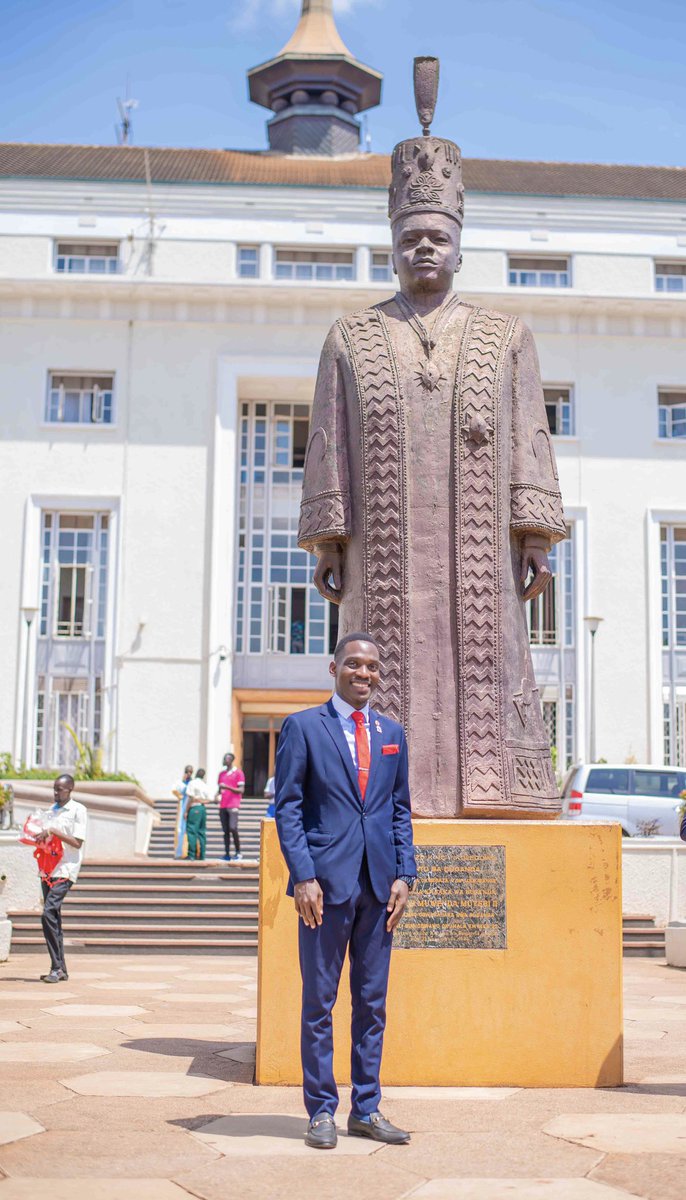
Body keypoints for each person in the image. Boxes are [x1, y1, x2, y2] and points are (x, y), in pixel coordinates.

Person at [298, 57, 565, 820]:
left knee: (487, 666)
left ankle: (495, 793)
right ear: (393, 241)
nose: (424, 248)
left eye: (436, 237)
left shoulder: (504, 334)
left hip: (478, 554)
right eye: (410, 235)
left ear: (458, 245)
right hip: (383, 556)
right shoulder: (352, 337)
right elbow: (329, 446)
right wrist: (327, 543)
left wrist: (535, 533)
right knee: (383, 675)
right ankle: (380, 801)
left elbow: (530, 436)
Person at [275, 633, 417, 1150]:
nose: (364, 674)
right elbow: (287, 808)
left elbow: (399, 810)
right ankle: (320, 1111)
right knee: (319, 1002)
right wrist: (303, 876)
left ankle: (367, 1108)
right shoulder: (303, 727)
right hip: (324, 889)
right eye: (354, 664)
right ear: (333, 668)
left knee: (371, 1004)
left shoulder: (392, 732)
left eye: (373, 667)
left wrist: (406, 874)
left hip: (379, 888)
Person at [35, 774, 87, 983]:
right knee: (54, 917)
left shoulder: (78, 810)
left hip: (66, 869)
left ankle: (56, 967)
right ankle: (60, 969)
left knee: (48, 913)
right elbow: (46, 838)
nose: (56, 793)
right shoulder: (50, 811)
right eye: (54, 789)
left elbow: (77, 842)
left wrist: (54, 831)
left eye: (61, 789)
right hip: (48, 869)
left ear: (70, 789)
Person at [216, 752, 245, 861]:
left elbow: (241, 790)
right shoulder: (221, 774)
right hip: (223, 805)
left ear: (231, 760)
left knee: (233, 828)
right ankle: (227, 853)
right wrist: (216, 795)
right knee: (225, 830)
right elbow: (220, 789)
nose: (224, 760)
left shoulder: (238, 773)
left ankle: (238, 852)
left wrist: (227, 787)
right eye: (224, 758)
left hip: (233, 804)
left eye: (226, 758)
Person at [185, 768, 211, 860]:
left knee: (192, 831)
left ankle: (192, 854)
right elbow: (209, 799)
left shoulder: (192, 783)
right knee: (202, 832)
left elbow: (190, 798)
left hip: (194, 807)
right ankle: (202, 855)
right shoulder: (204, 785)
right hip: (202, 808)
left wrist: (186, 811)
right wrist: (201, 800)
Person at [172, 764, 193, 859]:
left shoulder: (193, 783)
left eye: (191, 772)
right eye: (187, 771)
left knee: (189, 830)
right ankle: (179, 852)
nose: (189, 774)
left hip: (190, 807)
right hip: (182, 806)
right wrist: (181, 795)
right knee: (180, 829)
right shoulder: (180, 782)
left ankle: (190, 852)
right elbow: (175, 791)